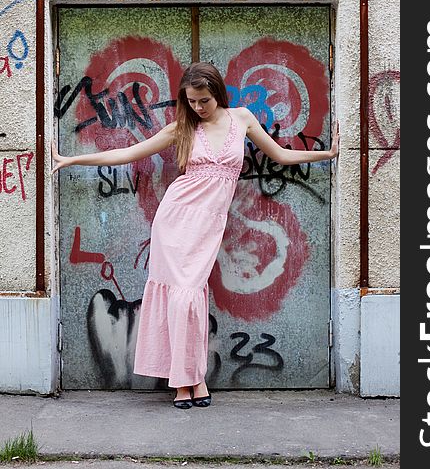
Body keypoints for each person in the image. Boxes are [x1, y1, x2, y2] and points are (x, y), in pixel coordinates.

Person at [52, 62, 340, 409]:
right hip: (174, 221)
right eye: (191, 101)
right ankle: (186, 383)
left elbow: (279, 154)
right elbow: (129, 153)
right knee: (181, 299)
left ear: (217, 93)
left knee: (191, 299)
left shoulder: (243, 119)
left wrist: (327, 153)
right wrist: (69, 160)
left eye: (204, 100)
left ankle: (192, 378)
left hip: (208, 226)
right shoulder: (182, 129)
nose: (198, 108)